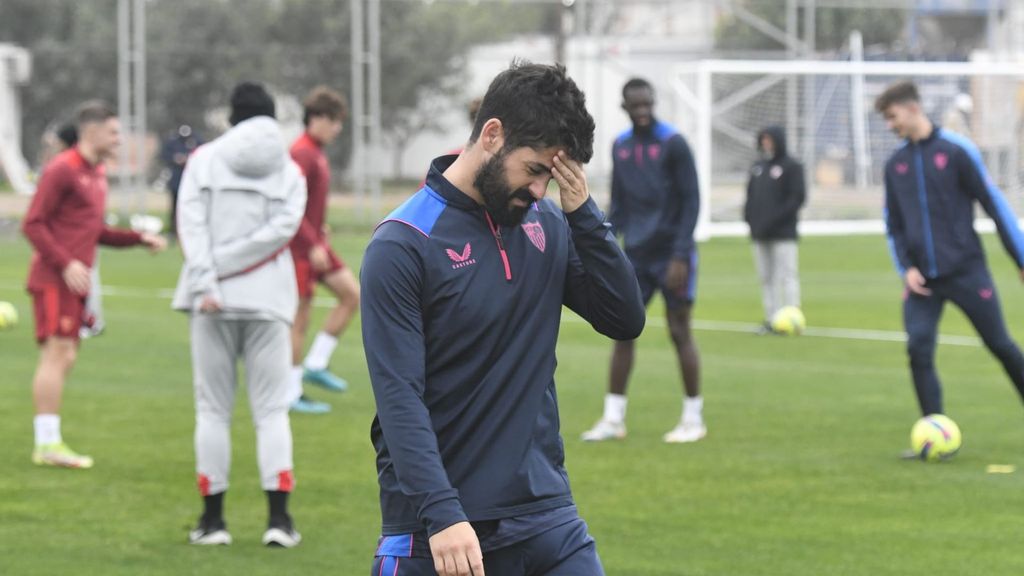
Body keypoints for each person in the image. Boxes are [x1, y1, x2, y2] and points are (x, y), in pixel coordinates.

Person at [361, 61, 645, 575]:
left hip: (546, 515)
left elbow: (624, 317)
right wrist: (442, 514)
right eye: (536, 170)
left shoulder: (549, 223)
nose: (540, 189)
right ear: (492, 135)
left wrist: (584, 214)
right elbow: (399, 396)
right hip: (439, 530)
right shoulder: (404, 243)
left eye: (552, 176)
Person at [172, 82, 306, 547]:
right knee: (272, 411)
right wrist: (224, 269)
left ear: (233, 116)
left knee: (212, 410)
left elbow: (188, 225)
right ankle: (279, 521)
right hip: (268, 298)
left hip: (209, 300)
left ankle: (213, 523)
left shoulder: (204, 160)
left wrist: (208, 278)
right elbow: (280, 233)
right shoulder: (290, 171)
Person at [22, 101, 166, 469]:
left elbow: (93, 230)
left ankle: (50, 440)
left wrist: (138, 238)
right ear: (93, 131)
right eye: (114, 132)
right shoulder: (63, 169)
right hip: (55, 279)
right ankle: (47, 445)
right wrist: (66, 262)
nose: (119, 139)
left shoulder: (96, 173)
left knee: (67, 355)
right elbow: (33, 224)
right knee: (57, 354)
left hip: (77, 280)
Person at [877, 80, 1024, 431]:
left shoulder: (957, 151)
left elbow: (995, 206)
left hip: (965, 272)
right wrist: (907, 268)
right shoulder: (894, 165)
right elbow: (893, 224)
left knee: (1000, 345)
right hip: (922, 280)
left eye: (892, 116)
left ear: (912, 108)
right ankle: (934, 430)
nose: (889, 125)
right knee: (919, 348)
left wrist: (1020, 258)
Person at [580, 77, 705, 444]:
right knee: (623, 330)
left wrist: (681, 254)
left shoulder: (674, 143)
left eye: (648, 104)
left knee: (679, 331)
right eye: (636, 106)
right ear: (625, 107)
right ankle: (613, 419)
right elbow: (618, 205)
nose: (643, 111)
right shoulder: (620, 146)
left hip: (671, 255)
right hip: (635, 255)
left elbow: (691, 201)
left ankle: (693, 418)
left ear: (654, 102)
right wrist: (604, 246)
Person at [287, 86, 359, 414]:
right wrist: (309, 240)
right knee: (299, 319)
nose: (337, 127)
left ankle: (316, 364)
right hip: (301, 249)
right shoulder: (301, 152)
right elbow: (289, 205)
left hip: (317, 244)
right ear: (315, 118)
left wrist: (321, 230)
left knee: (352, 294)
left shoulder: (316, 151)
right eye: (332, 120)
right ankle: (290, 393)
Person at [744, 126, 806, 334]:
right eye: (763, 139)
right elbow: (751, 196)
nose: (766, 143)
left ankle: (792, 317)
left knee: (787, 274)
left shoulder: (792, 166)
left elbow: (797, 198)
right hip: (760, 233)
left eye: (770, 139)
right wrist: (750, 219)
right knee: (766, 277)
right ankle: (771, 318)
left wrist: (775, 220)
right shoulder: (758, 166)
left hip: (783, 232)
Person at [161, 124, 202, 239]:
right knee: (175, 208)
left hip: (193, 182)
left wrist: (189, 159)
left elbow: (203, 152)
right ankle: (174, 231)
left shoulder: (196, 140)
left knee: (193, 208)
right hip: (176, 181)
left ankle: (191, 231)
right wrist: (175, 159)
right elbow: (164, 155)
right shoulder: (172, 142)